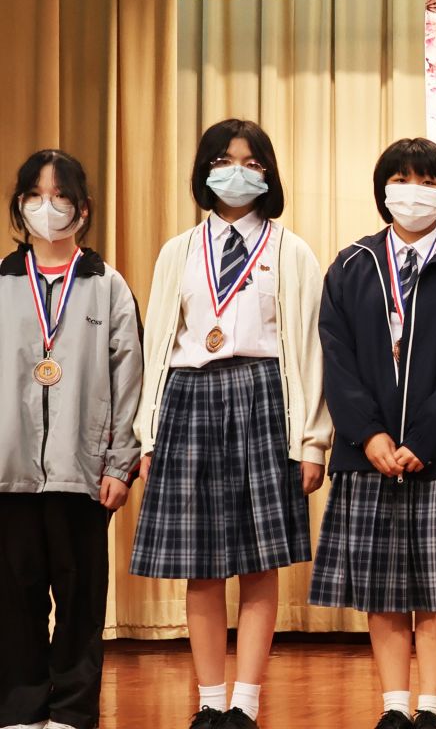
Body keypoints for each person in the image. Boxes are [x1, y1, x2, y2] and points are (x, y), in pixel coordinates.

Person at [131, 120, 332, 729]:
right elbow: (157, 345)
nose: (236, 172)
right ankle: (209, 700)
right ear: (204, 171)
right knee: (200, 564)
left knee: (259, 562)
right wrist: (148, 434)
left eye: (250, 162)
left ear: (268, 174)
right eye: (223, 160)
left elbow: (310, 351)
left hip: (264, 397)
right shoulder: (179, 250)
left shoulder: (290, 251)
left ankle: (245, 701)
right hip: (188, 400)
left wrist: (311, 441)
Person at [310, 139, 436, 729]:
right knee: (382, 589)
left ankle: (432, 706)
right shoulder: (352, 264)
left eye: (428, 182)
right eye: (402, 179)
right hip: (369, 455)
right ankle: (393, 704)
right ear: (383, 190)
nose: (414, 192)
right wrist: (368, 435)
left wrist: (426, 439)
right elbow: (335, 356)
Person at [0, 149, 142, 729]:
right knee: (14, 600)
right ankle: (21, 708)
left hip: (82, 475)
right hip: (9, 475)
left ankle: (72, 711)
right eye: (35, 195)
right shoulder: (3, 282)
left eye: (60, 195)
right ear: (19, 206)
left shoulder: (107, 285)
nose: (47, 207)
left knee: (81, 600)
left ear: (82, 209)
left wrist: (120, 464)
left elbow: (129, 379)